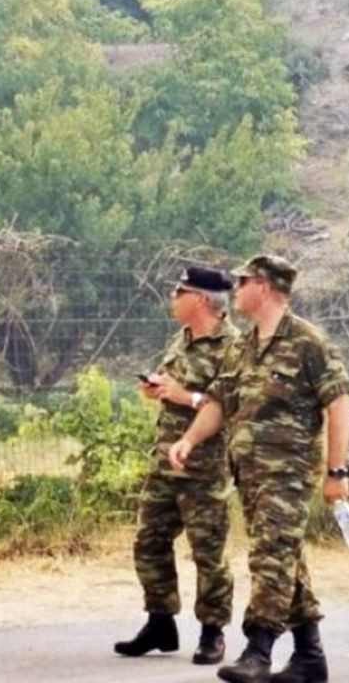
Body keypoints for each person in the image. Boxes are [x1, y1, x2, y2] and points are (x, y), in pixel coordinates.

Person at [168, 254, 349, 683]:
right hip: (248, 475)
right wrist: (189, 439)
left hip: (287, 474)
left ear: (265, 287)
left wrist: (336, 471)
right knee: (286, 558)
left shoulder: (309, 342)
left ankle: (259, 648)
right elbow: (218, 401)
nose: (236, 287)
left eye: (244, 280)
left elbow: (339, 402)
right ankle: (310, 655)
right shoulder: (242, 346)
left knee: (270, 556)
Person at [114, 265, 238, 665]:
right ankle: (160, 621)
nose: (172, 297)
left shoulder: (234, 347)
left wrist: (188, 397)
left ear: (201, 300)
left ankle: (212, 632)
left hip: (206, 467)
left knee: (208, 552)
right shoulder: (182, 339)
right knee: (149, 541)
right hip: (166, 460)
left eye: (179, 292)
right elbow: (174, 386)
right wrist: (159, 390)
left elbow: (234, 405)